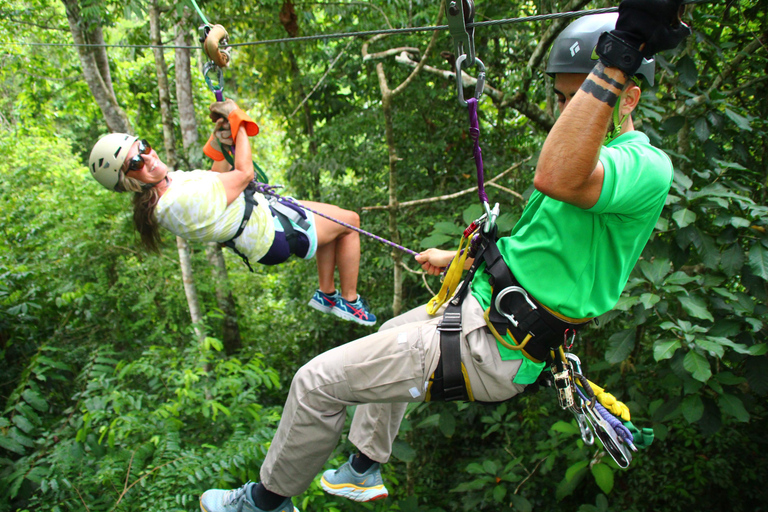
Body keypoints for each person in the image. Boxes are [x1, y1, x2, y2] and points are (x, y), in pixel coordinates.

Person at [198, 1, 690, 511]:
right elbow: (545, 251)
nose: (566, 112)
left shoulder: (643, 165)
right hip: (482, 314)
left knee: (314, 382)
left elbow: (557, 176)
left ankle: (265, 502)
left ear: (628, 97)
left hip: (494, 345)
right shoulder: (595, 162)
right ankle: (363, 468)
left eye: (581, 98)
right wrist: (461, 259)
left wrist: (620, 54)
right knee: (391, 330)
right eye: (563, 98)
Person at [88, 99, 376, 326]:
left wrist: (220, 140)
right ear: (129, 182)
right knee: (350, 222)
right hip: (270, 233)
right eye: (136, 163)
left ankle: (327, 294)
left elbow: (218, 179)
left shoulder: (167, 185)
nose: (148, 158)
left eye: (143, 147)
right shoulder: (174, 203)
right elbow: (243, 174)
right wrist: (238, 122)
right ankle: (350, 301)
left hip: (265, 218)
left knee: (335, 226)